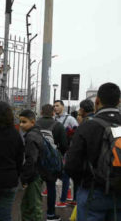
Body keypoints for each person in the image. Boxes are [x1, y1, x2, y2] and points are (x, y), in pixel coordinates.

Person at [65, 82, 121, 220]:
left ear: (97, 101)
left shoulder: (87, 126)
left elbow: (71, 164)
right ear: (119, 101)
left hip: (92, 192)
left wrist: (84, 182)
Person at [37, 104, 67, 221]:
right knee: (51, 187)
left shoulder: (35, 124)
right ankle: (50, 214)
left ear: (41, 112)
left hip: (37, 161)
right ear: (53, 113)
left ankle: (35, 213)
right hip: (51, 162)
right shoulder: (58, 126)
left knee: (35, 188)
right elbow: (64, 145)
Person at [19, 109, 44, 221]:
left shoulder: (31, 137)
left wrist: (25, 178)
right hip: (37, 173)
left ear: (32, 122)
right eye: (20, 122)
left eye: (24, 122)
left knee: (34, 207)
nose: (21, 125)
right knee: (27, 205)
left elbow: (31, 160)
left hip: (34, 176)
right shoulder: (37, 133)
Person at [53, 100, 79, 207]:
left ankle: (64, 200)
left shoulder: (70, 119)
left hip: (68, 151)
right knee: (63, 175)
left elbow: (77, 133)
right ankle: (69, 197)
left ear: (63, 107)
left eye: (58, 105)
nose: (55, 108)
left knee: (66, 175)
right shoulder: (54, 119)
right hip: (58, 150)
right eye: (54, 106)